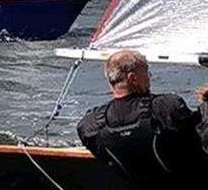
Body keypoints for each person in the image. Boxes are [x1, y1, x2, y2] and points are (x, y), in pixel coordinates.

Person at [77, 49, 198, 181]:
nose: (150, 77)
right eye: (146, 72)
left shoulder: (90, 123)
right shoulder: (165, 106)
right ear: (132, 78)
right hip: (184, 189)